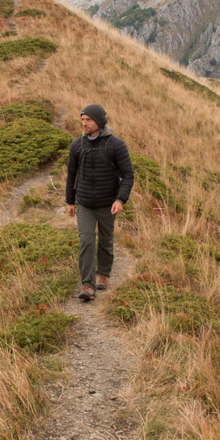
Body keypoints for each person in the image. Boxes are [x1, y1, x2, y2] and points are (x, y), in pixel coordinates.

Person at [65, 103, 134, 301]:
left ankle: (104, 273)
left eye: (88, 120)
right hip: (85, 203)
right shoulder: (77, 145)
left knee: (105, 240)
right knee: (86, 241)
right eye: (82, 120)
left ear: (100, 122)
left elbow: (127, 175)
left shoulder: (116, 145)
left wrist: (120, 199)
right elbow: (71, 175)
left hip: (107, 203)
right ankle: (88, 284)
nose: (84, 124)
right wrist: (70, 201)